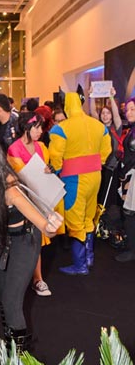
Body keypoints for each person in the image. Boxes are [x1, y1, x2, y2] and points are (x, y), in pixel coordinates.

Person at [0, 129, 63, 357]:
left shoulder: (10, 190)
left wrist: (52, 226)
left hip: (25, 239)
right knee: (0, 289)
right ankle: (9, 343)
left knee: (11, 299)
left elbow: (44, 226)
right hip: (3, 237)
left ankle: (18, 357)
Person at [49, 91, 112, 275]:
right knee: (88, 217)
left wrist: (57, 170)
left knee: (75, 220)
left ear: (67, 106)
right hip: (95, 177)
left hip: (73, 179)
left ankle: (80, 265)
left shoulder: (61, 128)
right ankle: (89, 257)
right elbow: (106, 150)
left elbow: (55, 155)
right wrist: (97, 163)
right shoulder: (98, 125)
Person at [7, 112, 63, 296]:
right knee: (25, 241)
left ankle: (37, 279)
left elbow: (45, 169)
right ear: (26, 127)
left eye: (41, 127)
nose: (40, 131)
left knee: (35, 240)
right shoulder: (14, 149)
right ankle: (27, 280)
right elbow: (19, 176)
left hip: (40, 198)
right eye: (37, 127)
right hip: (22, 201)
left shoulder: (41, 146)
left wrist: (50, 170)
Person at [115, 98, 135, 262]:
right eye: (127, 109)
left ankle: (132, 250)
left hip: (132, 175)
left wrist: (124, 172)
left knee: (129, 213)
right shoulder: (131, 129)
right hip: (130, 174)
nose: (128, 112)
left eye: (132, 109)